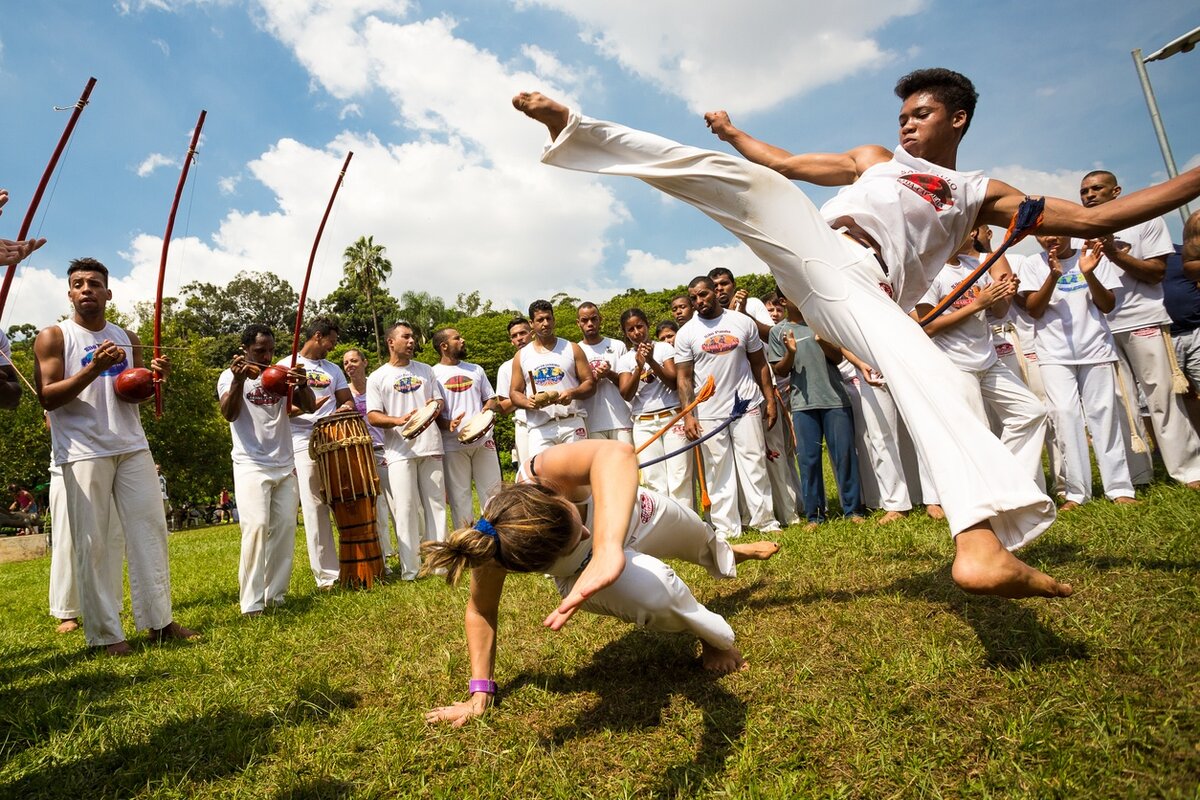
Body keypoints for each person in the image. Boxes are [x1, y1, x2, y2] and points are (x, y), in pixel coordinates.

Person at [514, 68, 1200, 597]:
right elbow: (784, 163)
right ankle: (576, 130)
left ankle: (980, 545)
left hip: (858, 288)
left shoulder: (979, 193)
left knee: (928, 377)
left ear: (957, 119)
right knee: (741, 179)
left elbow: (1096, 221)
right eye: (902, 115)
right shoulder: (876, 157)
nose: (906, 126)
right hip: (811, 245)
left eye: (922, 114)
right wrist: (732, 135)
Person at [423, 440, 781, 727]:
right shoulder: (498, 548)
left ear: (552, 494)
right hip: (586, 574)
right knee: (657, 594)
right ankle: (712, 639)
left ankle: (730, 552)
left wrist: (607, 546)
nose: (585, 531)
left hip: (636, 516)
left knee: (702, 539)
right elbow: (481, 611)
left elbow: (616, 453)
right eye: (573, 539)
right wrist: (480, 692)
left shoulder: (543, 471)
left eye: (574, 520)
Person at [33, 256, 196, 654]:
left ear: (108, 292)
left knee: (150, 533)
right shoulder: (54, 337)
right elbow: (48, 397)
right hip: (83, 451)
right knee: (94, 543)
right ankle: (107, 635)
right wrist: (93, 369)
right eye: (78, 283)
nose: (86, 289)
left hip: (132, 444)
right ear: (69, 293)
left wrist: (156, 379)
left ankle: (159, 621)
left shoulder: (129, 337)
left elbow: (135, 391)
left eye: (93, 283)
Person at [1078, 171, 1200, 489]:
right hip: (1101, 328)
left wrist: (1114, 251)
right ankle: (1138, 475)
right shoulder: (1080, 232)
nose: (1089, 195)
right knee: (1121, 403)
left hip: (1143, 320)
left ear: (1115, 191)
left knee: (1162, 397)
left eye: (1097, 189)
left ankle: (1189, 471)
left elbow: (1157, 272)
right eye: (1084, 191)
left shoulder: (1146, 220)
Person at [913, 229, 1049, 505]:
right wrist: (977, 304)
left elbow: (997, 313)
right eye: (964, 227)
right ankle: (982, 502)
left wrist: (1003, 295)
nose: (971, 232)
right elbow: (927, 326)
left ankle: (1008, 485)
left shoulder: (974, 265)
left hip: (987, 358)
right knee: (978, 433)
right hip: (955, 364)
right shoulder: (928, 273)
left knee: (1032, 412)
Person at [1016, 237, 1134, 508]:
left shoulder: (1092, 255)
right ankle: (1076, 492)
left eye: (1057, 230)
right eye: (1043, 233)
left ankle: (1119, 488)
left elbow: (1107, 305)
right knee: (1065, 416)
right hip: (1054, 354)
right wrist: (1054, 275)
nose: (1050, 238)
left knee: (1103, 415)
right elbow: (1034, 309)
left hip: (1095, 349)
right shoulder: (1033, 263)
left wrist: (1088, 273)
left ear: (1069, 231)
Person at [673, 275, 779, 538]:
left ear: (714, 292)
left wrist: (770, 399)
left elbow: (759, 364)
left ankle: (765, 521)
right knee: (718, 469)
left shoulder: (741, 322)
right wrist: (688, 416)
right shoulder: (686, 333)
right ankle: (727, 528)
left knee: (754, 462)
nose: (699, 301)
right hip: (709, 411)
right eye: (694, 297)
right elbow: (684, 378)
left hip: (746, 403)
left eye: (703, 295)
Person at [219, 324, 314, 616]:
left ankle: (277, 595)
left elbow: (309, 406)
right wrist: (237, 381)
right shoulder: (228, 376)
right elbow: (229, 413)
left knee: (285, 528)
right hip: (251, 464)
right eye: (260, 351)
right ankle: (251, 602)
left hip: (284, 463)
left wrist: (300, 384)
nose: (267, 357)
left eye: (271, 351)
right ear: (245, 349)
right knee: (256, 527)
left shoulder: (279, 375)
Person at [769, 291, 864, 526]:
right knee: (809, 461)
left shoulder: (823, 321)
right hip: (802, 404)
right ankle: (815, 515)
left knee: (844, 456)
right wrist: (790, 353)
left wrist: (823, 342)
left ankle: (853, 511)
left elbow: (838, 358)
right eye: (794, 291)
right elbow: (780, 371)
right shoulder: (777, 332)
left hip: (835, 399)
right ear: (783, 301)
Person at [367, 321, 448, 580]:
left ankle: (440, 563)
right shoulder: (378, 376)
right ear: (391, 342)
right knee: (405, 508)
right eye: (406, 337)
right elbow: (373, 415)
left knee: (436, 505)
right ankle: (410, 569)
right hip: (399, 451)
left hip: (431, 445)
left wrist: (434, 406)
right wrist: (399, 421)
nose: (412, 341)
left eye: (413, 337)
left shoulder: (425, 370)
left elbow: (438, 401)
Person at [279, 316, 353, 589]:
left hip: (333, 436)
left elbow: (347, 400)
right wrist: (308, 407)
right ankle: (327, 576)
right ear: (318, 336)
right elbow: (279, 410)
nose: (333, 347)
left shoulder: (333, 369)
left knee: (343, 499)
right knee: (314, 505)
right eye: (331, 342)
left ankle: (354, 562)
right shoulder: (285, 366)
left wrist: (344, 408)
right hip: (301, 440)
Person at [616, 308, 693, 507]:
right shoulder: (625, 359)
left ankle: (686, 526)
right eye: (630, 329)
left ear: (647, 325)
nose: (636, 332)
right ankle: (664, 525)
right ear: (625, 333)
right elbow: (626, 393)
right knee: (653, 478)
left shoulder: (664, 349)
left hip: (671, 416)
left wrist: (651, 361)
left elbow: (673, 381)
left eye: (639, 326)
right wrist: (639, 367)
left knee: (679, 474)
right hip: (644, 422)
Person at [431, 327, 503, 529]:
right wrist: (448, 424)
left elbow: (491, 399)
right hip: (453, 445)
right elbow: (432, 412)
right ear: (444, 346)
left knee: (493, 496)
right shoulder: (433, 374)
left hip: (484, 441)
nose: (462, 340)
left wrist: (487, 415)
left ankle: (496, 543)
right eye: (457, 338)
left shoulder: (476, 369)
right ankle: (467, 547)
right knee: (460, 500)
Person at [509, 300, 595, 456]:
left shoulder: (572, 348)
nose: (545, 323)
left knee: (577, 475)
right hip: (540, 427)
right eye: (540, 320)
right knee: (542, 478)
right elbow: (514, 392)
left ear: (554, 320)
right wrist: (528, 402)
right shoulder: (521, 356)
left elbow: (590, 384)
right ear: (531, 324)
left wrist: (572, 393)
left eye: (548, 318)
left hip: (572, 421)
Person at [344, 347, 398, 568]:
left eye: (354, 360)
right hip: (360, 454)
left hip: (384, 449)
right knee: (374, 510)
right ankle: (383, 557)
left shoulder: (378, 386)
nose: (350, 365)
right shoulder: (344, 393)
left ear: (365, 362)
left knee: (398, 503)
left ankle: (411, 553)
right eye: (346, 362)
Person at [576, 302, 633, 444]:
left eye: (594, 319)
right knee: (601, 466)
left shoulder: (617, 345)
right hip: (592, 423)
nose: (590, 323)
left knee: (626, 463)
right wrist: (594, 377)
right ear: (578, 323)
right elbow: (578, 388)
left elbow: (628, 384)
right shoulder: (575, 350)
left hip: (622, 419)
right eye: (584, 320)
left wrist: (608, 373)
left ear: (600, 319)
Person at [1163, 211, 1200, 430]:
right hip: (1165, 335)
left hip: (1194, 329)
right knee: (1183, 395)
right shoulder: (1196, 221)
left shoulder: (1177, 253)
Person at [494, 317, 533, 467]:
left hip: (554, 421)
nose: (519, 338)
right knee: (529, 475)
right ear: (511, 341)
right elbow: (503, 408)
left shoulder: (550, 358)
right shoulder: (505, 368)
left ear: (532, 333)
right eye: (514, 336)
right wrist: (520, 394)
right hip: (524, 426)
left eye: (523, 333)